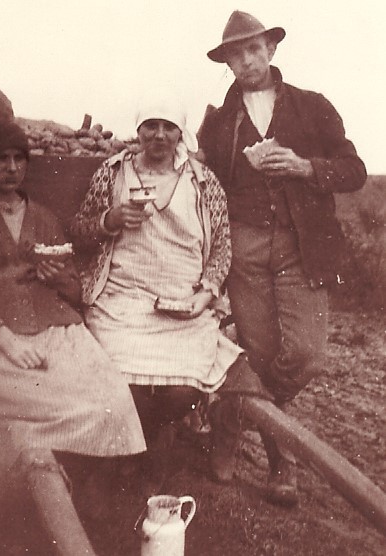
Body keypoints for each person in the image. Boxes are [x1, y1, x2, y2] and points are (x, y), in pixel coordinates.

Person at [199, 11, 367, 505]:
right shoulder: (219, 122)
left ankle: (230, 416)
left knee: (306, 357)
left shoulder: (312, 107)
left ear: (271, 50)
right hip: (244, 249)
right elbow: (209, 186)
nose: (247, 61)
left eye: (254, 49)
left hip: (302, 246)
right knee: (259, 354)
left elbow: (354, 170)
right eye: (236, 55)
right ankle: (281, 464)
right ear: (227, 63)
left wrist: (304, 166)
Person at [70, 92, 262, 489]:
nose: (159, 135)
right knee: (119, 378)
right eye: (151, 127)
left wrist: (206, 294)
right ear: (139, 131)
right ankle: (134, 449)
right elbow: (81, 231)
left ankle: (151, 439)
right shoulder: (113, 172)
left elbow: (222, 247)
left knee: (182, 389)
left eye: (168, 127)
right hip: (122, 299)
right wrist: (110, 219)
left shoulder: (203, 181)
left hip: (183, 300)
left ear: (180, 133)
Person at [0, 120, 146, 512]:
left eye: (19, 159)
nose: (12, 168)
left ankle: (95, 474)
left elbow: (74, 290)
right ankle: (46, 468)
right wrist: (4, 339)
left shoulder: (43, 216)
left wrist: (58, 277)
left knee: (113, 398)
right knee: (32, 398)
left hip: (55, 324)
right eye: (1, 159)